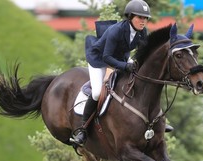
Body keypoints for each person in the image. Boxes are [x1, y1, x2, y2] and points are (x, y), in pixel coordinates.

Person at [73, 0, 172, 147]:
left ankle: (157, 121)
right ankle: (83, 129)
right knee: (96, 93)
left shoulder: (141, 32)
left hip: (120, 59)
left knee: (144, 83)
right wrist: (126, 67)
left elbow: (143, 53)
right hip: (99, 60)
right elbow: (107, 57)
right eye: (140, 17)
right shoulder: (116, 30)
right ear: (130, 17)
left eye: (145, 18)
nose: (143, 21)